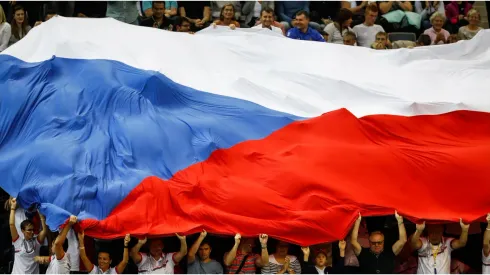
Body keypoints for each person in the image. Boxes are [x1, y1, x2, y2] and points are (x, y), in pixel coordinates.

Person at [9, 198, 48, 274]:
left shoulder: (36, 242)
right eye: (29, 230)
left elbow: (44, 230)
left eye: (33, 230)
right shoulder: (17, 241)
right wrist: (13, 208)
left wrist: (40, 214)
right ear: (23, 231)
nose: (32, 232)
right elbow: (11, 225)